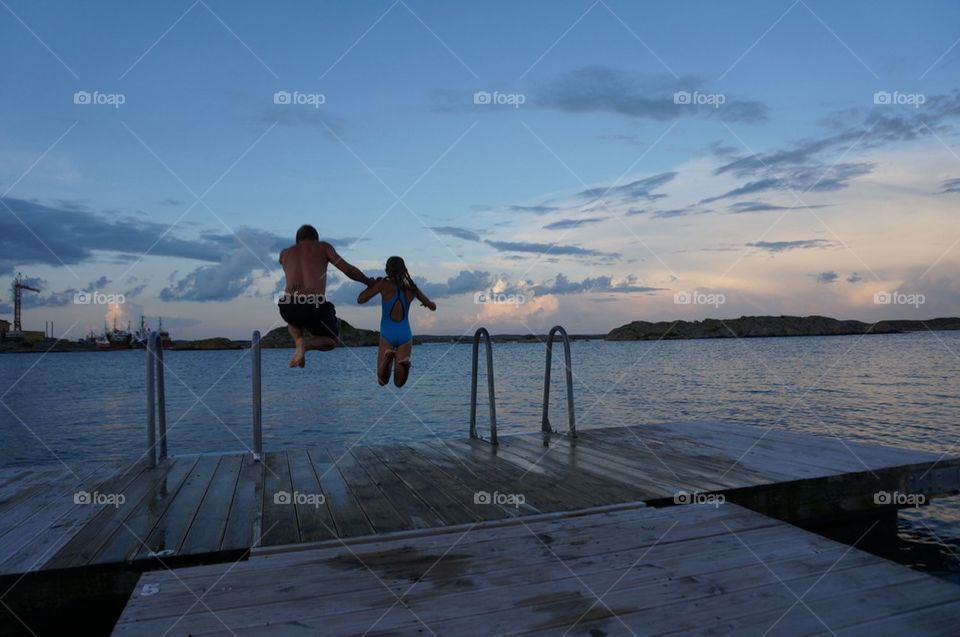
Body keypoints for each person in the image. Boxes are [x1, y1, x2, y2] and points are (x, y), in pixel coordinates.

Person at [278, 224, 373, 368]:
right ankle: (305, 346)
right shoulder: (323, 247)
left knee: (292, 321)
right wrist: (368, 282)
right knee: (332, 340)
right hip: (313, 304)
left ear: (297, 240)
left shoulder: (284, 254)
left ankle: (298, 341)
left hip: (287, 306)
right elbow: (348, 270)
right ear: (316, 239)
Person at [357, 256, 436, 387]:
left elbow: (360, 300)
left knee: (382, 381)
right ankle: (406, 365)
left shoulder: (383, 284)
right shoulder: (412, 289)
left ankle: (388, 358)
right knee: (399, 383)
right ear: (404, 269)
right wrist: (428, 303)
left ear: (387, 270)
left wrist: (370, 285)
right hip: (405, 334)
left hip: (388, 333)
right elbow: (433, 307)